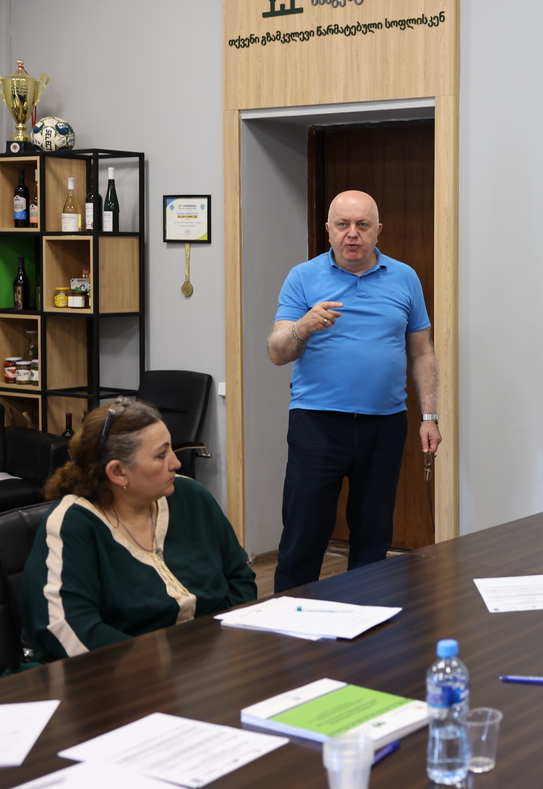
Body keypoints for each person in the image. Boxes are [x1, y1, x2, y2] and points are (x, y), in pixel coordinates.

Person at [267, 189, 441, 591]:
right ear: (328, 229)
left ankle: (366, 617)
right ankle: (287, 619)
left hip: (385, 424)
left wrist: (429, 416)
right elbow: (277, 352)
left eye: (362, 225)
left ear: (378, 230)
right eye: (343, 225)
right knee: (303, 533)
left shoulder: (405, 277)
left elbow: (422, 352)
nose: (352, 234)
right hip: (317, 423)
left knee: (374, 536)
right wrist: (303, 326)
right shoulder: (303, 277)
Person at [22, 398, 256, 659]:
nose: (176, 463)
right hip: (120, 673)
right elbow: (68, 628)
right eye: (161, 454)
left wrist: (233, 642)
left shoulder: (191, 496)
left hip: (213, 660)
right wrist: (155, 666)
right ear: (118, 472)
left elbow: (238, 575)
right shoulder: (72, 525)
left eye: (171, 449)